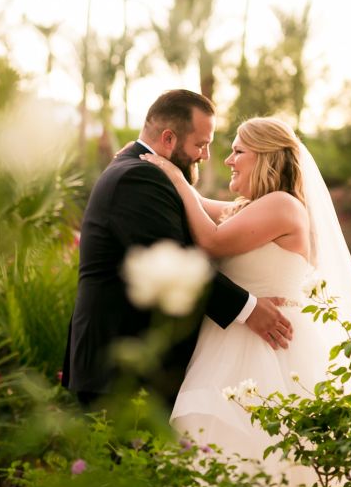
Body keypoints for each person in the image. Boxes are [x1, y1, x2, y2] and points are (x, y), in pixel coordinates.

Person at [140, 116, 351, 485]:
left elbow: (211, 239)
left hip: (261, 350)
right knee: (217, 456)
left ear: (265, 157)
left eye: (237, 151)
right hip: (231, 338)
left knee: (258, 454)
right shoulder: (250, 207)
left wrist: (175, 174)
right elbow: (197, 205)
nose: (228, 160)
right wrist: (153, 162)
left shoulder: (282, 204)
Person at [61, 90, 294, 406]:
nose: (206, 156)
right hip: (120, 370)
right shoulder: (139, 177)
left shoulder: (143, 172)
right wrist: (249, 309)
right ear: (168, 139)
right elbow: (178, 266)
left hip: (135, 367)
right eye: (200, 145)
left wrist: (178, 180)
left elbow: (237, 215)